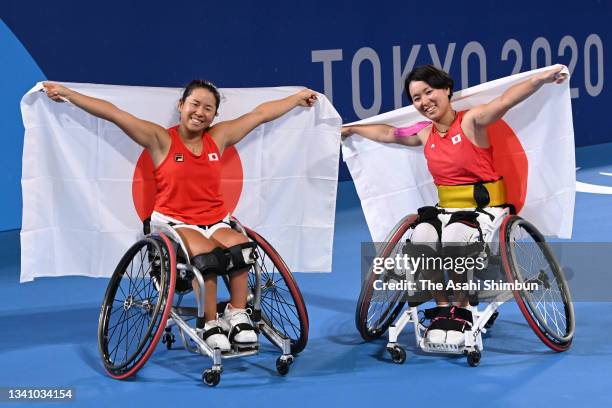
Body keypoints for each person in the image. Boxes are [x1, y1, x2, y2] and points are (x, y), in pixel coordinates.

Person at [43, 80, 318, 351]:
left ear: (214, 115)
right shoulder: (161, 139)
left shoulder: (218, 137)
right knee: (207, 257)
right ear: (181, 105)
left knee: (242, 249)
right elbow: (114, 113)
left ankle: (237, 314)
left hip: (216, 220)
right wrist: (68, 94)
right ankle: (209, 322)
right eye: (194, 104)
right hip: (175, 222)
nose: (200, 112)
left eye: (208, 108)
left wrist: (295, 99)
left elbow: (259, 115)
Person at [342, 64, 567, 346]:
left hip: (486, 210)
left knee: (454, 238)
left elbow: (506, 100)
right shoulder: (425, 133)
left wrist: (540, 79)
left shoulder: (472, 121)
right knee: (421, 237)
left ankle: (461, 307)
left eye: (429, 92)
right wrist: (352, 129)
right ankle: (441, 307)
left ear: (447, 89)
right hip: (446, 210)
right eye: (416, 98)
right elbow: (389, 134)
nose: (424, 102)